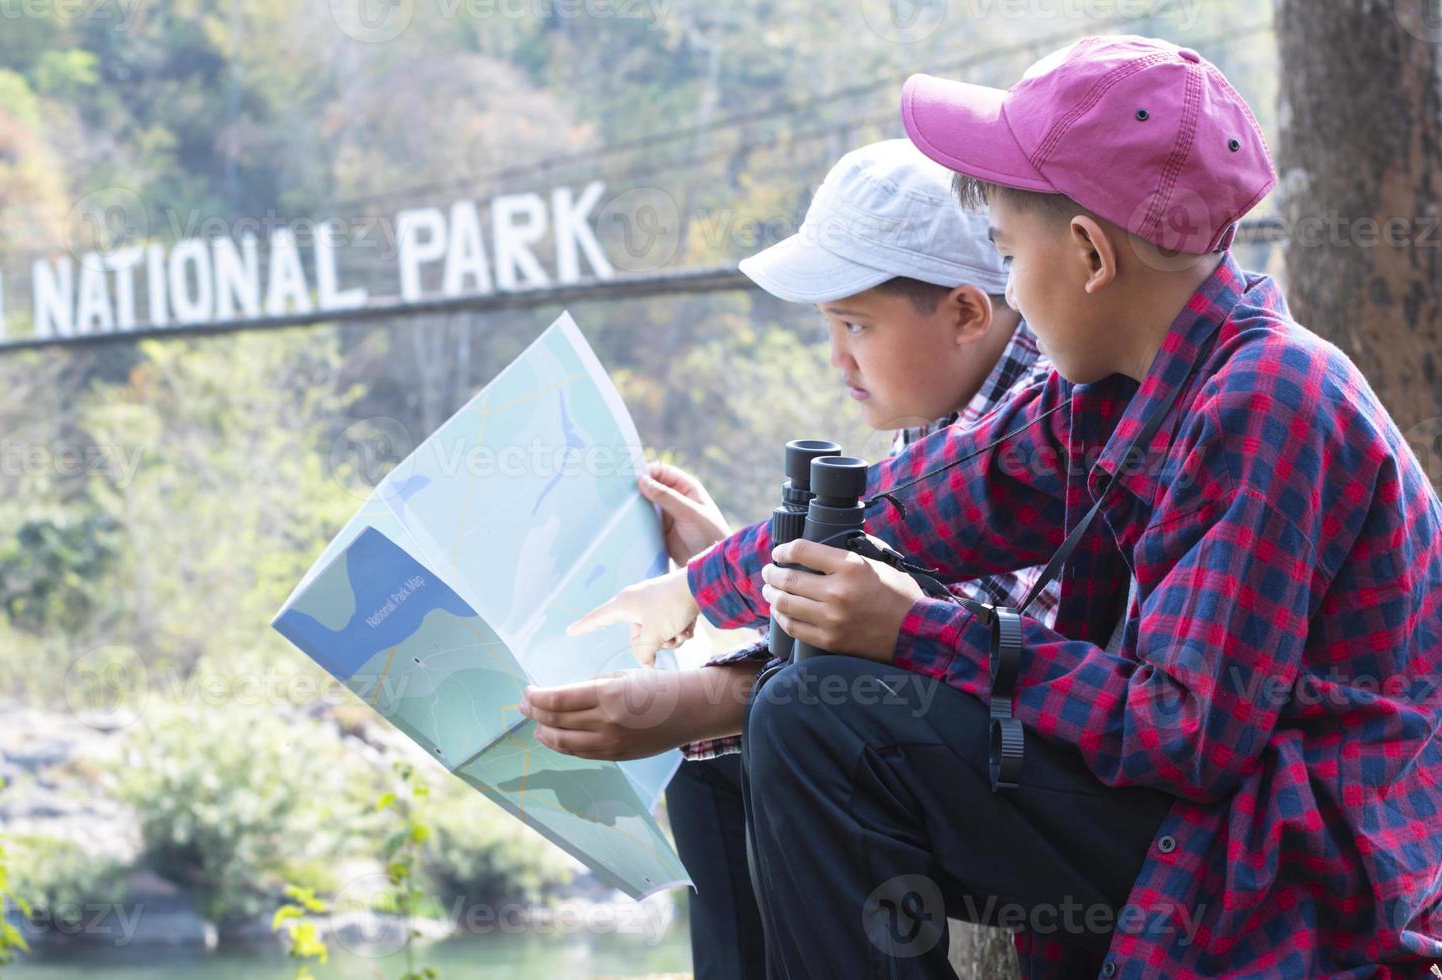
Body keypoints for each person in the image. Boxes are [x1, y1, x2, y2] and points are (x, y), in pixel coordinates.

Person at [544, 35, 1442, 978]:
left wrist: (918, 631)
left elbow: (1185, 736)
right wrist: (695, 588)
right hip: (1203, 819)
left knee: (819, 721)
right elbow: (916, 501)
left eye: (1009, 255)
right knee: (767, 737)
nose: (1009, 288)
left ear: (1091, 254)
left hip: (1280, 866)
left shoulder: (1267, 400)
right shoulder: (1111, 389)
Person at [640, 138, 1057, 979]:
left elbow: (972, 644)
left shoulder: (1032, 414)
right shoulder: (941, 405)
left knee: (797, 726)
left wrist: (710, 673)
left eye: (856, 326)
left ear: (970, 313)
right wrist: (736, 574)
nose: (839, 360)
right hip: (983, 765)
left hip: (1058, 782)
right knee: (712, 764)